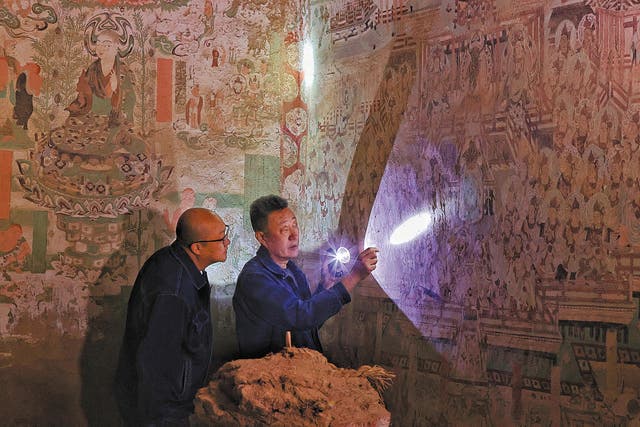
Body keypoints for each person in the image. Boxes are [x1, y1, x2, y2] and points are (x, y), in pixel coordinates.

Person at [114, 208, 230, 426]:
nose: (227, 242)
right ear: (197, 247)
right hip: (163, 410)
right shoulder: (173, 291)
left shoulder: (178, 263)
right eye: (221, 237)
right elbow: (156, 366)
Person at [233, 194, 378, 359]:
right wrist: (354, 276)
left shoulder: (293, 271)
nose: (294, 235)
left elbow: (308, 325)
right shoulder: (255, 279)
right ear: (262, 238)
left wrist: (327, 283)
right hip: (271, 378)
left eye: (295, 225)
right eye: (284, 229)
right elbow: (302, 316)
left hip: (300, 370)